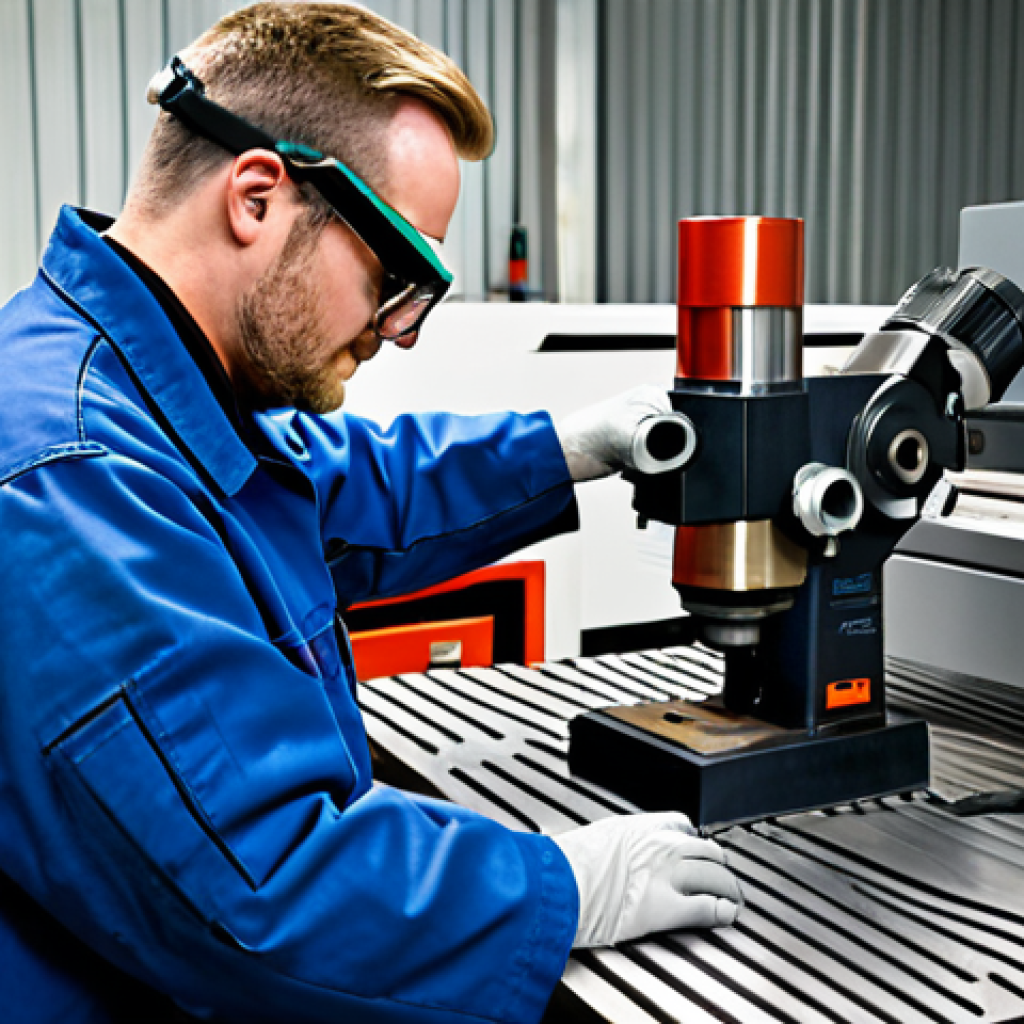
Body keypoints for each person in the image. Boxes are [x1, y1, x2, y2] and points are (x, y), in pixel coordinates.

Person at [0, 4, 743, 1022]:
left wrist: (571, 447)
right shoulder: (70, 474)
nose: (401, 332)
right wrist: (559, 887)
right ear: (257, 197)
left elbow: (344, 486)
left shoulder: (156, 397)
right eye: (395, 275)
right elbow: (260, 887)